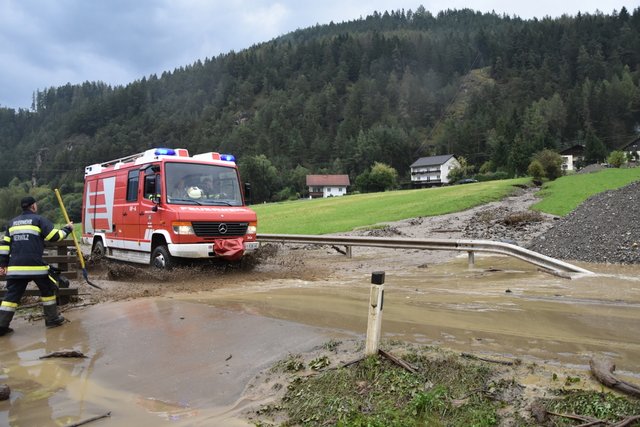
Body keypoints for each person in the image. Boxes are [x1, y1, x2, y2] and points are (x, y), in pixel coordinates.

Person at [0, 196, 73, 336]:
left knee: (11, 297)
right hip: (36, 267)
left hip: (16, 269)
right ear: (33, 206)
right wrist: (68, 228)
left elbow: (4, 246)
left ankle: (1, 327)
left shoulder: (12, 223)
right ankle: (52, 320)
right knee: (48, 290)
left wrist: (2, 265)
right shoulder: (39, 220)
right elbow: (54, 237)